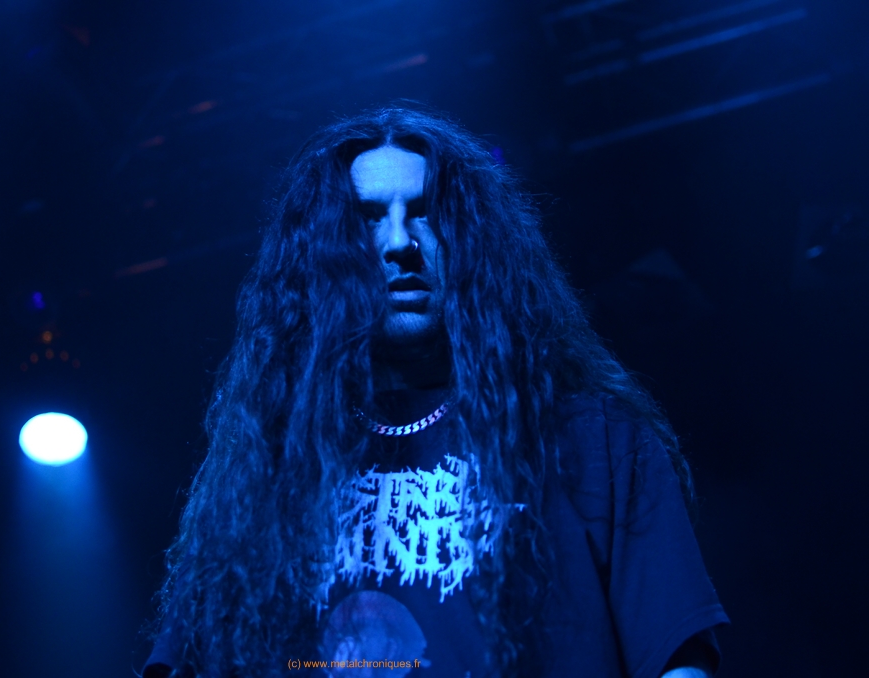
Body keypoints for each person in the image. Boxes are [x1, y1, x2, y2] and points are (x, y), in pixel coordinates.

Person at [142, 106, 729, 678]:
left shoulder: (592, 440)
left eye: (424, 213)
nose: (400, 242)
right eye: (368, 218)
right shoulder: (262, 468)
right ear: (322, 253)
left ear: (472, 239)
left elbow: (677, 660)